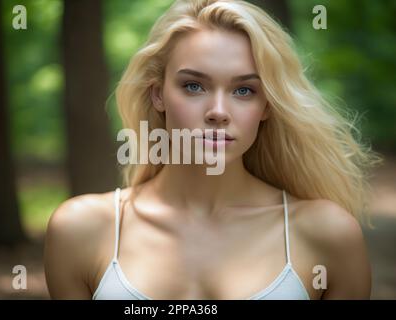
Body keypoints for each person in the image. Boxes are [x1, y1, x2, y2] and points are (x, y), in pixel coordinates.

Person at [44, 0, 382, 300]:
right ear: (157, 94)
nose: (218, 111)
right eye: (193, 86)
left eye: (244, 90)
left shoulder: (326, 234)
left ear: (267, 105)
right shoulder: (83, 230)